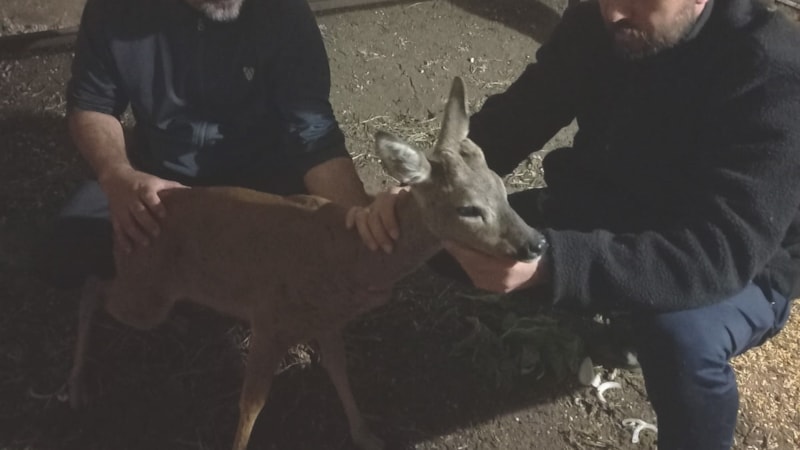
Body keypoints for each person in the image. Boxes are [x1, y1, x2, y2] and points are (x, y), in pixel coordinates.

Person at [349, 0, 800, 448]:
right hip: (621, 204)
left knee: (680, 336)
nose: (614, 13)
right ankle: (610, 311)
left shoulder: (771, 69)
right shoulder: (601, 21)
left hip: (739, 257)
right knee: (447, 241)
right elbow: (522, 113)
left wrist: (556, 267)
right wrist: (430, 190)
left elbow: (719, 254)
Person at [41, 0, 370, 288]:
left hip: (257, 186)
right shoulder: (116, 8)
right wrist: (117, 175)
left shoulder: (283, 13)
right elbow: (92, 104)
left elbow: (314, 138)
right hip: (159, 181)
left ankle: (196, 273)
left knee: (321, 245)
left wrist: (361, 232)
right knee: (69, 247)